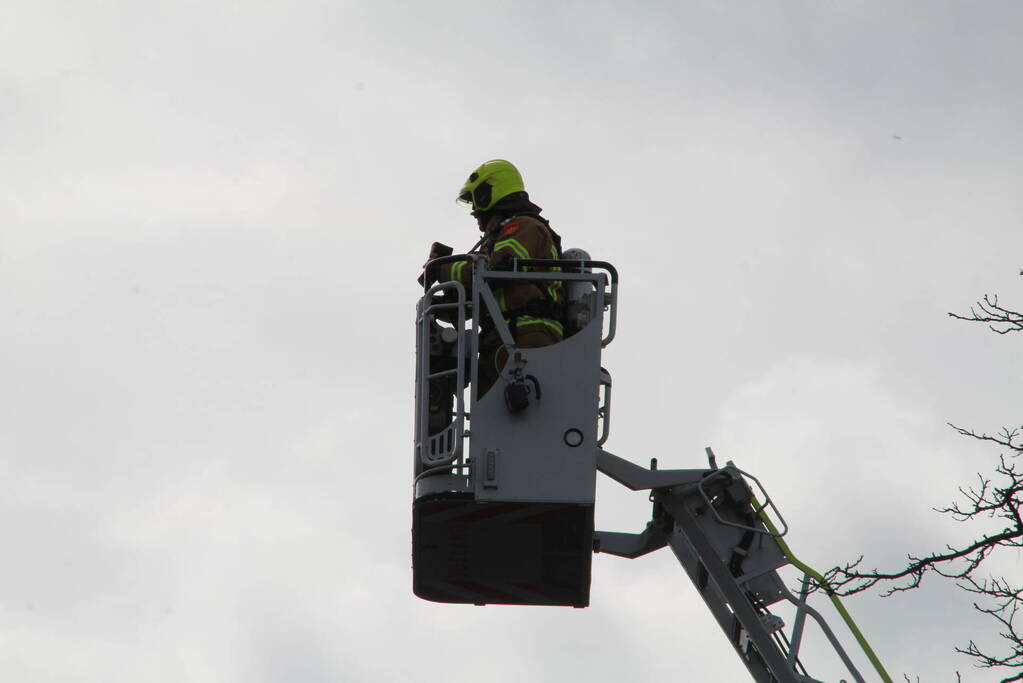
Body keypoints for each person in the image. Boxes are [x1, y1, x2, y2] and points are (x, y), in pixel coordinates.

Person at [426, 159, 565, 398]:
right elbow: (485, 291)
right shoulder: (500, 239)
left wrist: (442, 270)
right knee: (487, 421)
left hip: (527, 339)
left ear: (491, 193)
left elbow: (496, 270)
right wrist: (444, 305)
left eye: (475, 201)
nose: (474, 212)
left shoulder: (524, 227)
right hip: (501, 340)